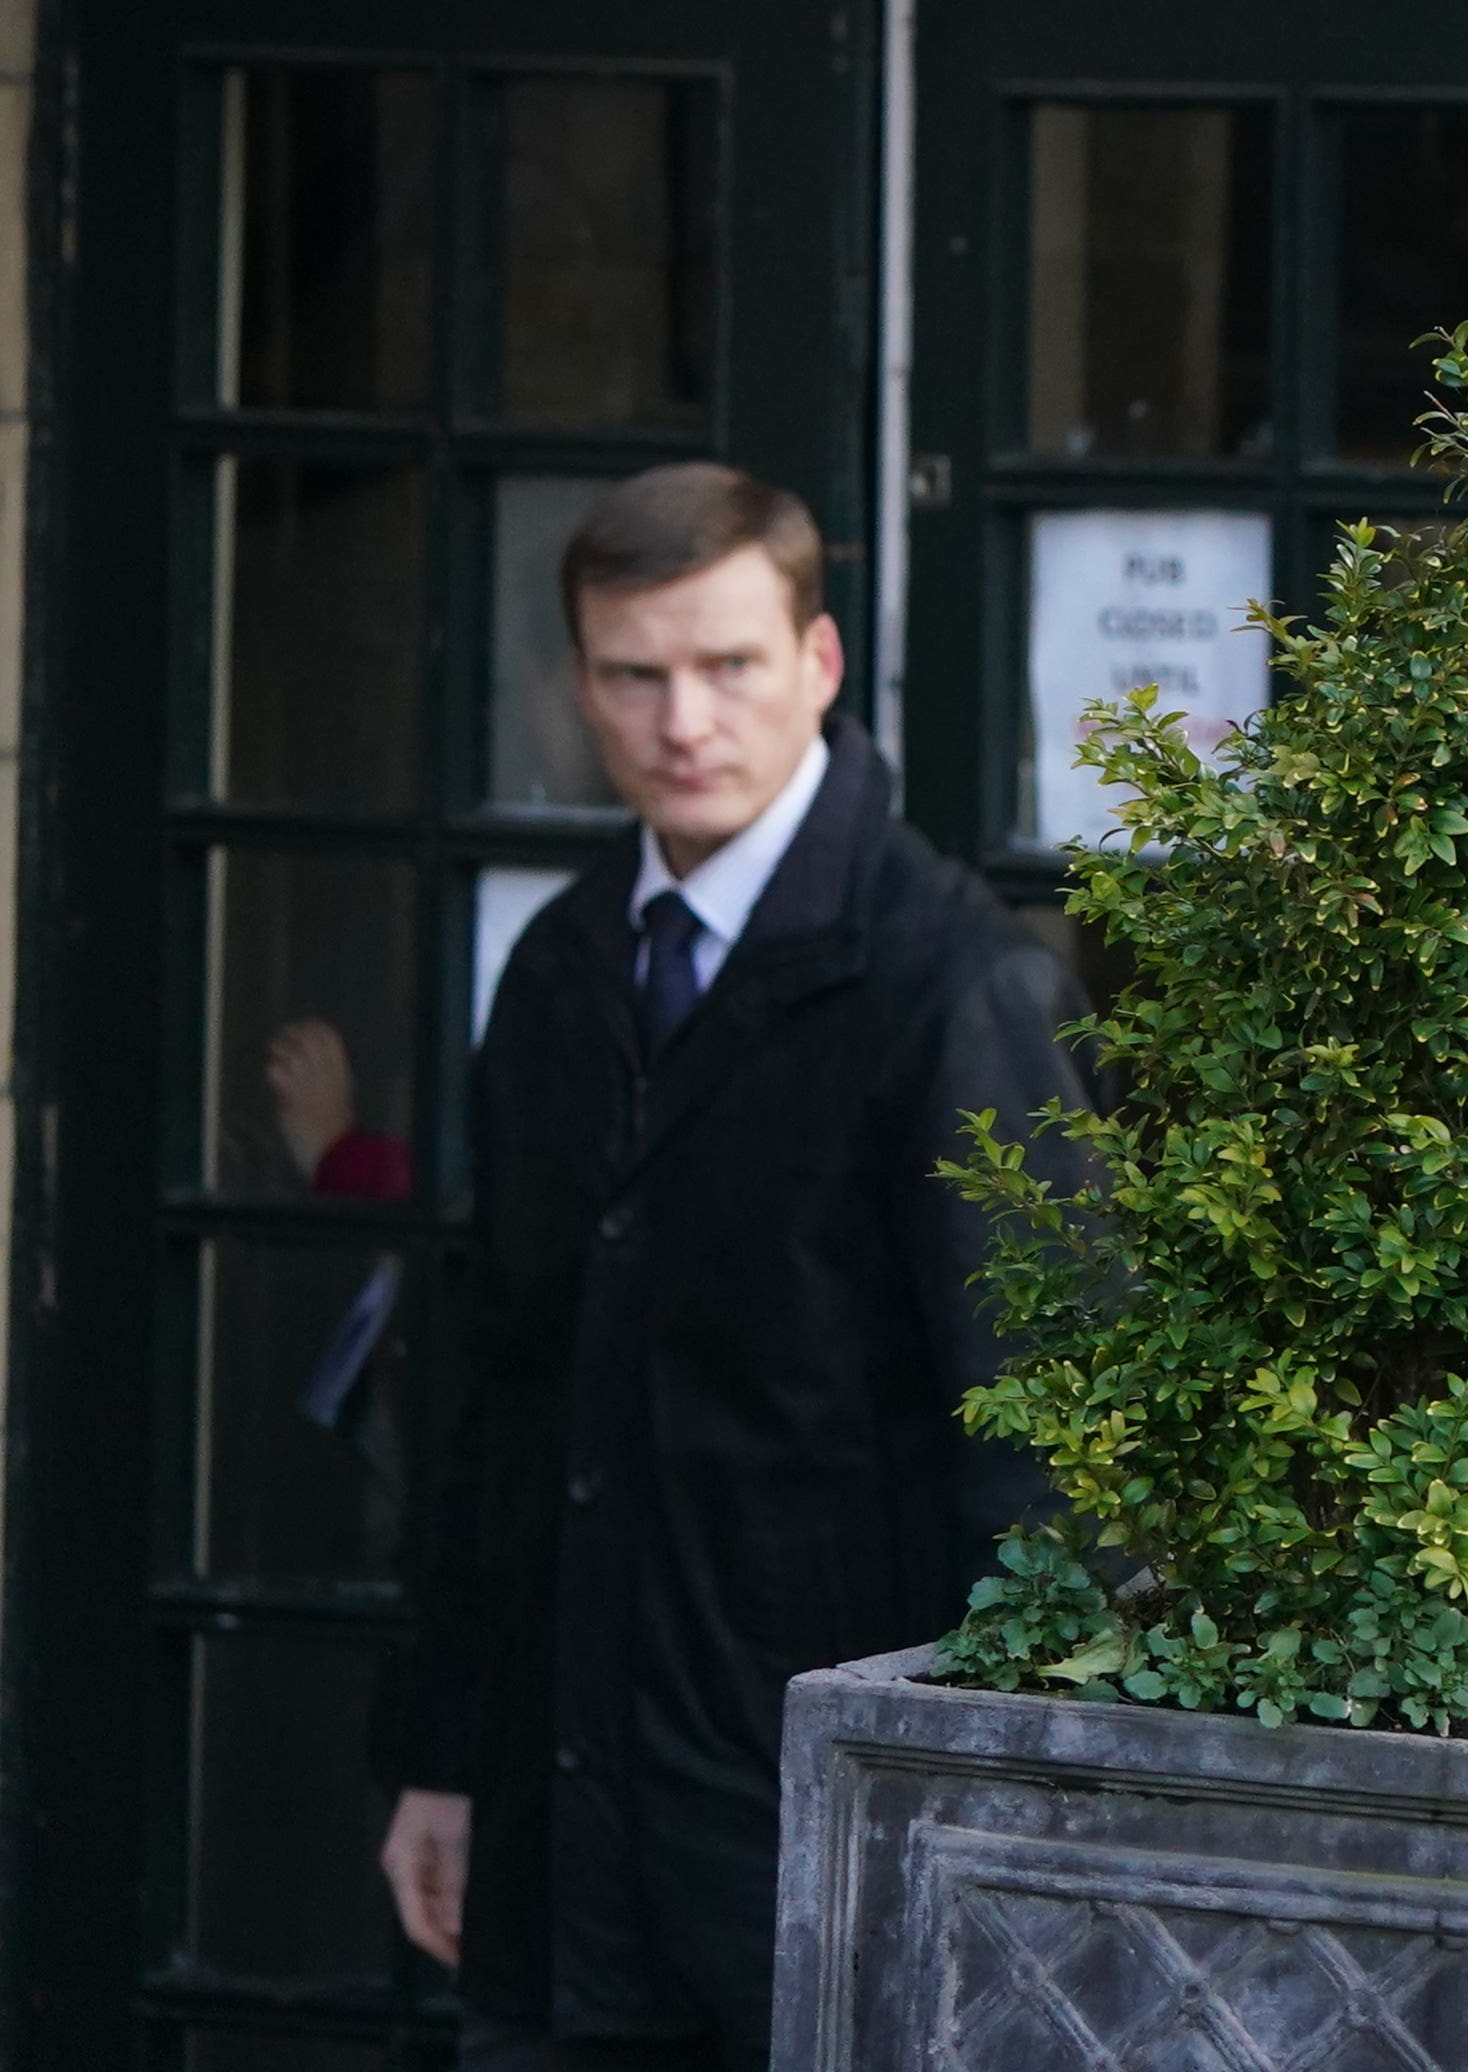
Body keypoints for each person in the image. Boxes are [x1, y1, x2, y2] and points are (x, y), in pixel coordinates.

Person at [377, 463, 1089, 2072]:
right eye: (635, 675)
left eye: (728, 667)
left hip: (838, 1861)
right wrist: (440, 1757)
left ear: (819, 665)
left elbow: (1046, 1457)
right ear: (582, 687)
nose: (681, 719)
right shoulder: (560, 973)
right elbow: (498, 1395)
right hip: (561, 1849)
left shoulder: (955, 984)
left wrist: (1008, 1835)